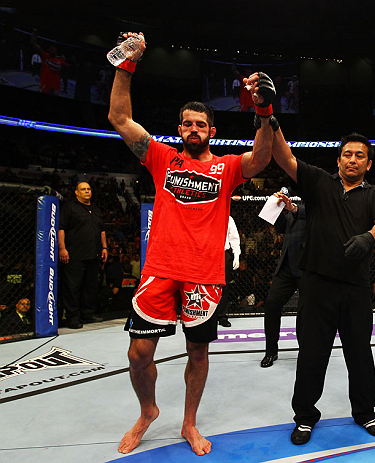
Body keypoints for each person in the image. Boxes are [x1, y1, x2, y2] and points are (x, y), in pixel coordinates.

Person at [107, 32, 275, 456]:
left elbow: (261, 159)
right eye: (188, 124)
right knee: (138, 353)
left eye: (201, 124)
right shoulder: (162, 157)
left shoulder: (227, 167)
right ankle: (148, 411)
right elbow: (120, 119)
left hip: (204, 275)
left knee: (197, 352)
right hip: (160, 270)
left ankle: (188, 423)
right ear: (179, 129)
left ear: (211, 130)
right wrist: (126, 65)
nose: (194, 129)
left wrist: (264, 112)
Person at [272, 127, 375, 445]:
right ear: (338, 159)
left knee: (359, 353)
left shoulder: (374, 194)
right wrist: (269, 118)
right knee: (311, 352)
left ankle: (365, 412)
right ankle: (305, 417)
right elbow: (284, 157)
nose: (352, 160)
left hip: (355, 287)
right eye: (347, 154)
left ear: (368, 164)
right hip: (317, 284)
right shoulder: (319, 182)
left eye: (360, 156)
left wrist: (368, 237)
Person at [260, 190, 307, 368]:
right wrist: (274, 207)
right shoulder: (294, 206)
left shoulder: (319, 203)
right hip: (287, 265)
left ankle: (306, 352)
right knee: (272, 304)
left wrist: (293, 208)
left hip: (307, 266)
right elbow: (282, 227)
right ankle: (271, 351)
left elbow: (308, 213)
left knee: (306, 311)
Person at [59, 180, 108, 329]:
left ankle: (88, 314)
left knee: (90, 286)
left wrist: (104, 247)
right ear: (76, 192)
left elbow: (102, 230)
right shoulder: (70, 207)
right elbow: (61, 228)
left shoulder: (96, 209)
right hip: (75, 254)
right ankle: (73, 317)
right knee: (73, 287)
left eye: (89, 189)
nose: (87, 191)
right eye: (83, 189)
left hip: (93, 254)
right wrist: (62, 248)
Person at [217, 216, 241, 327]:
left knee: (224, 287)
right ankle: (207, 316)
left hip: (223, 254)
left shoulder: (228, 218)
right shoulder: (205, 213)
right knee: (205, 285)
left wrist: (236, 255)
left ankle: (222, 316)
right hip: (206, 253)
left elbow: (234, 237)